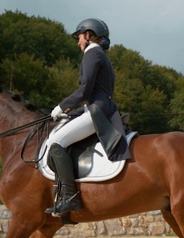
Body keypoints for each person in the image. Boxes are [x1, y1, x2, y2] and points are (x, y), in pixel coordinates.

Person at [46, 18, 131, 215]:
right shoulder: (101, 55)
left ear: (88, 35)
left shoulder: (92, 54)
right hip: (99, 107)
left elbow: (85, 90)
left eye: (79, 37)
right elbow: (95, 94)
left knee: (56, 142)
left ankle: (69, 196)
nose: (78, 42)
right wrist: (72, 113)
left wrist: (62, 106)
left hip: (98, 111)